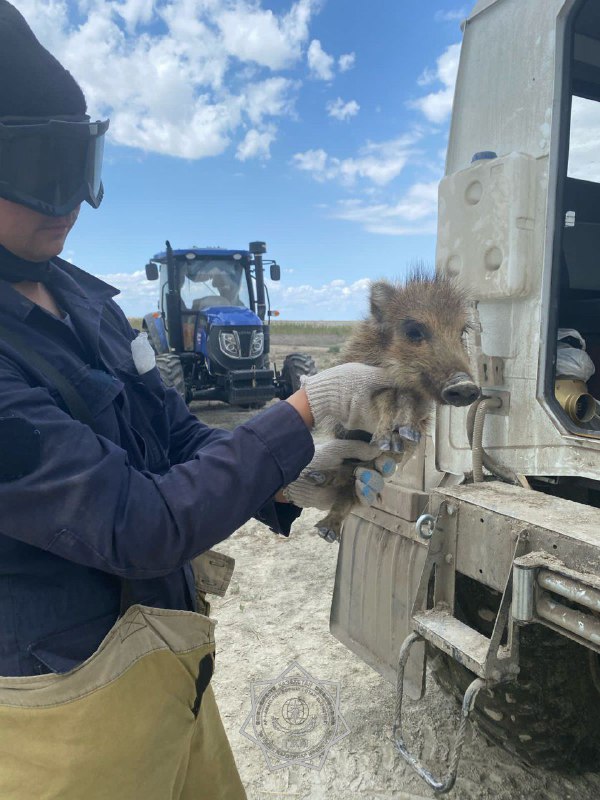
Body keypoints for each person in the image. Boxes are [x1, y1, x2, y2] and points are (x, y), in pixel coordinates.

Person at [0, 3, 399, 798]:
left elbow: (180, 435)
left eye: (78, 164)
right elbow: (138, 525)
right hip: (61, 709)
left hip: (171, 667)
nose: (67, 200)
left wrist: (293, 475)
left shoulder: (87, 302)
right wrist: (304, 409)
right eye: (35, 168)